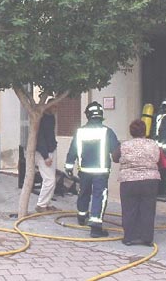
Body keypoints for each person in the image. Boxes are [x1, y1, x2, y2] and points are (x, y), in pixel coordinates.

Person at [65, 101, 120, 238]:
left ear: (88, 115)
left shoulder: (80, 132)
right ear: (101, 115)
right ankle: (95, 227)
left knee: (83, 192)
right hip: (100, 172)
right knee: (99, 196)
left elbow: (73, 150)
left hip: (84, 170)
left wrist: (69, 166)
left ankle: (82, 216)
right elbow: (116, 151)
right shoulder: (107, 131)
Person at [112, 119, 160, 246]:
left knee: (129, 209)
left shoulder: (125, 145)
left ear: (131, 132)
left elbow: (115, 158)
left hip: (129, 180)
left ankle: (129, 238)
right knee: (148, 209)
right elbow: (157, 158)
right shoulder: (153, 144)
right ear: (145, 131)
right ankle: (147, 238)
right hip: (150, 180)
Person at [34, 99, 59, 212]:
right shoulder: (41, 118)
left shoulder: (51, 117)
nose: (56, 109)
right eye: (54, 107)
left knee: (51, 179)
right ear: (49, 106)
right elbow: (40, 138)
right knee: (49, 180)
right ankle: (41, 205)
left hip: (51, 149)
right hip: (44, 152)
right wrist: (45, 156)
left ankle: (46, 203)